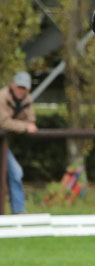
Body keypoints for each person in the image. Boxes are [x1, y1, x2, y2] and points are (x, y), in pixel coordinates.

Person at [1, 71, 37, 214]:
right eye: (20, 87)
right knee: (16, 172)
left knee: (15, 172)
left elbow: (31, 121)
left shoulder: (26, 99)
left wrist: (17, 125)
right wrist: (23, 127)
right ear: (13, 85)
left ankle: (18, 212)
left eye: (25, 88)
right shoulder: (2, 97)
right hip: (2, 144)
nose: (22, 91)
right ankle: (18, 211)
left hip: (3, 145)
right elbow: (3, 122)